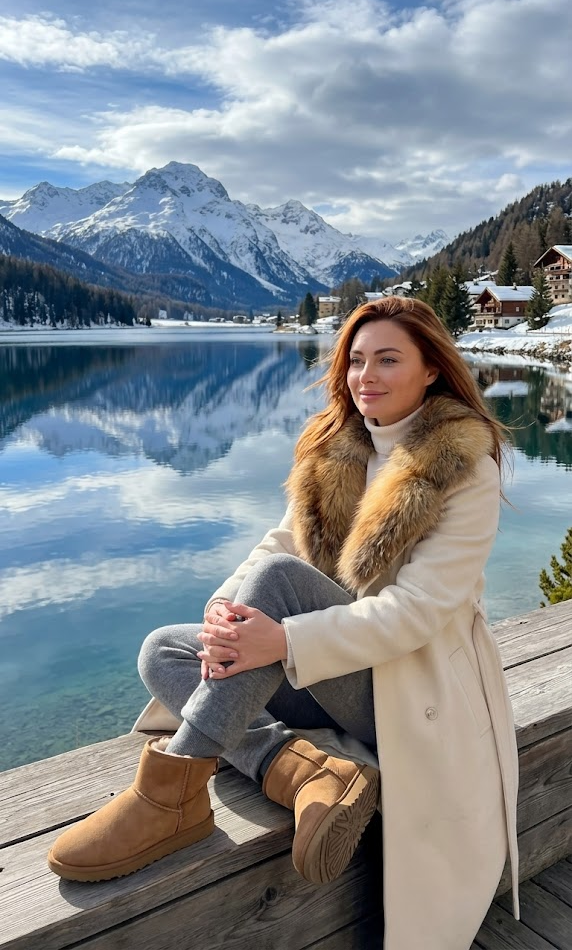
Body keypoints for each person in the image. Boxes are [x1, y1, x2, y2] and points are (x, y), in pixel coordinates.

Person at [47, 296, 520, 950]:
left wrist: (282, 636)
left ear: (432, 370)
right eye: (356, 360)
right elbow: (279, 543)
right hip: (335, 671)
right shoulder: (338, 449)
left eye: (388, 359)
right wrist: (224, 610)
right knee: (167, 651)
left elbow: (417, 613)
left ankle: (174, 793)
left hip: (414, 690)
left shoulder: (465, 465)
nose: (365, 376)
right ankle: (301, 770)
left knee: (276, 589)